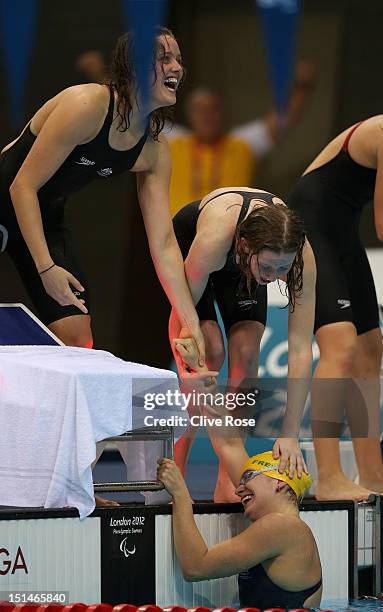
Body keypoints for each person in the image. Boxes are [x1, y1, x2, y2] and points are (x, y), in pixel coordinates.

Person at [0, 27, 204, 361]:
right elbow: (22, 186)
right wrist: (46, 268)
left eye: (179, 59)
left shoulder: (153, 151)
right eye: (164, 58)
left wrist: (189, 321)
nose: (177, 67)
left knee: (79, 343)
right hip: (8, 198)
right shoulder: (87, 105)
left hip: (46, 219)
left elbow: (163, 242)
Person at [169, 186, 317, 501]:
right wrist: (187, 369)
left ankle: (228, 482)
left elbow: (301, 347)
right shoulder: (213, 240)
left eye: (283, 268)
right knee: (209, 351)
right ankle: (175, 473)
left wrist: (289, 435)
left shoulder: (299, 259)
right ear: (246, 246)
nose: (276, 278)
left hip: (240, 268)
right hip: (191, 250)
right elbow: (179, 318)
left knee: (248, 355)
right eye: (268, 268)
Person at [287, 117, 383, 501]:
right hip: (310, 226)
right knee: (340, 346)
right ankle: (327, 474)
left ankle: (373, 474)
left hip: (342, 229)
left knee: (370, 348)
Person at [157, 446, 322, 610]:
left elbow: (195, 567)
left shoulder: (281, 525)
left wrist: (180, 493)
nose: (238, 490)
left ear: (279, 483)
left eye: (248, 477)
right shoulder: (292, 530)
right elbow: (229, 444)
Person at [167, 60, 315, 216]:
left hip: (232, 236)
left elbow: (283, 120)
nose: (206, 116)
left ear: (224, 113)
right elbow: (141, 116)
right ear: (189, 115)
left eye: (212, 109)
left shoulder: (242, 144)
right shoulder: (173, 141)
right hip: (178, 235)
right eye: (199, 110)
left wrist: (302, 87)